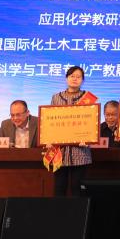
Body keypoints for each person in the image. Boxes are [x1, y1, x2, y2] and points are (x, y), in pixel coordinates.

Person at [44, 65, 99, 197]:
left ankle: (79, 211)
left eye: (78, 77)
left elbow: (91, 122)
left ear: (82, 80)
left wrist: (89, 138)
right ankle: (59, 211)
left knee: (77, 189)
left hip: (80, 150)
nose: (75, 79)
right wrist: (48, 139)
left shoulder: (88, 98)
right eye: (72, 76)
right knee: (59, 187)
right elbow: (50, 121)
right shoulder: (56, 97)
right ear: (66, 78)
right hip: (60, 150)